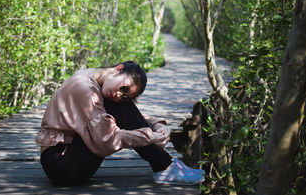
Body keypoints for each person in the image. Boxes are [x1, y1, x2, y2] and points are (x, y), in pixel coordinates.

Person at [36, 60, 205, 186]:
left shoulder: (91, 78)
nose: (120, 94)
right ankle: (165, 166)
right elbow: (107, 138)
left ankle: (166, 166)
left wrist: (156, 125)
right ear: (118, 69)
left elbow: (117, 117)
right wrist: (150, 137)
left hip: (66, 158)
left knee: (121, 105)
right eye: (124, 88)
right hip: (62, 164)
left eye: (126, 94)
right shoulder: (85, 89)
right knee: (122, 106)